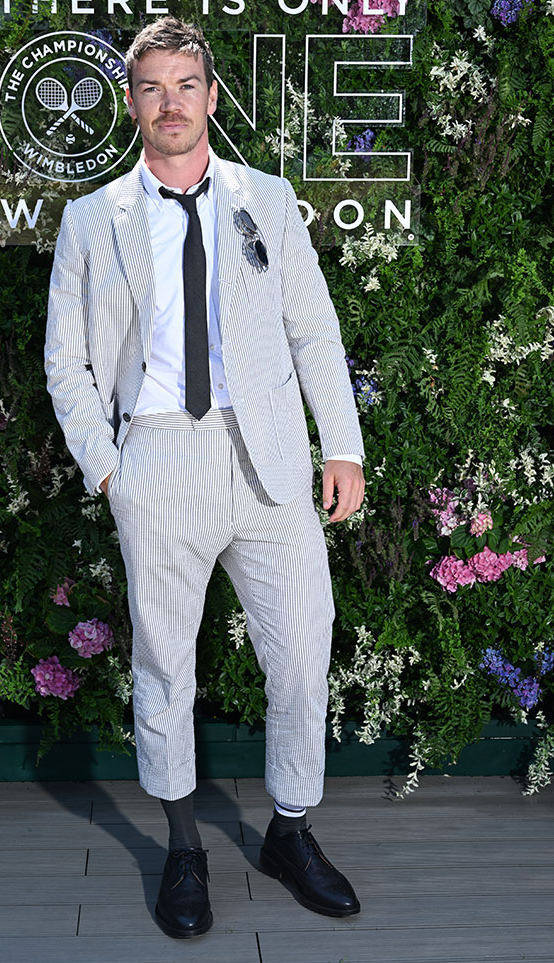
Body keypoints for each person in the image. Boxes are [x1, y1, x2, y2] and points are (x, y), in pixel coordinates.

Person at [45, 16, 365, 940]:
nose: (171, 102)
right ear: (132, 102)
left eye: (186, 84)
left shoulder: (265, 195)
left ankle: (290, 831)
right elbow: (66, 362)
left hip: (267, 457)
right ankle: (184, 844)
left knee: (305, 650)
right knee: (166, 663)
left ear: (211, 97)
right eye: (152, 87)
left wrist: (339, 446)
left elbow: (313, 328)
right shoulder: (92, 221)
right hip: (157, 458)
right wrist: (110, 471)